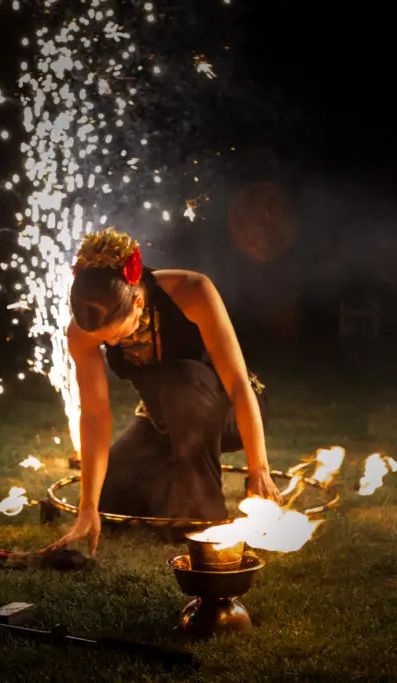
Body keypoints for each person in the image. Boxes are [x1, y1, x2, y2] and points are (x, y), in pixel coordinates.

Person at [45, 228, 283, 557]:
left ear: (138, 302)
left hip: (229, 408)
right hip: (163, 420)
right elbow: (96, 415)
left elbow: (239, 386)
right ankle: (174, 481)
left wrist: (259, 470)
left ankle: (206, 520)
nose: (112, 344)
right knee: (112, 497)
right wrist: (88, 506)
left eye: (115, 334)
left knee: (180, 379)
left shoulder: (192, 291)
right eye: (104, 339)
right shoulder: (83, 331)